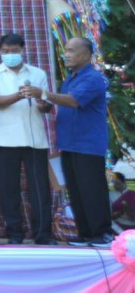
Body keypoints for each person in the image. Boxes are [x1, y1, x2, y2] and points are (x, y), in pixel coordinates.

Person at [32, 37, 111, 248]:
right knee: (75, 191)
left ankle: (102, 233)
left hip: (88, 144)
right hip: (68, 143)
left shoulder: (92, 78)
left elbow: (74, 101)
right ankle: (85, 233)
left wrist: (44, 93)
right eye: (65, 50)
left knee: (92, 189)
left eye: (71, 50)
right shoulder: (70, 78)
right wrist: (45, 104)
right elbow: (63, 102)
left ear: (86, 54)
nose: (66, 54)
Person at [0, 32, 54, 245]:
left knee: (40, 188)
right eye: (5, 51)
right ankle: (14, 233)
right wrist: (21, 94)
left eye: (14, 51)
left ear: (22, 50)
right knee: (9, 189)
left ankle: (43, 233)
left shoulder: (37, 73)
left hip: (35, 139)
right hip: (5, 139)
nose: (10, 54)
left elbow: (47, 106)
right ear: (0, 51)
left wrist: (42, 102)